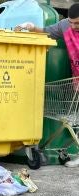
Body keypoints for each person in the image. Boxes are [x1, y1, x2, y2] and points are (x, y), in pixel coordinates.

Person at [15, 3, 79, 168]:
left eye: (77, 23)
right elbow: (46, 31)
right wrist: (29, 27)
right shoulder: (65, 26)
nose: (73, 26)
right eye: (71, 22)